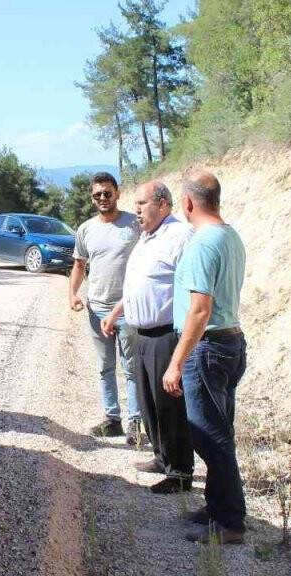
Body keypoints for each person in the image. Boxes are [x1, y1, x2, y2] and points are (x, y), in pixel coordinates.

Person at [163, 170, 248, 545]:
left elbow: (199, 309)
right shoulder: (231, 236)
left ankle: (229, 522)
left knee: (210, 438)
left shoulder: (202, 243)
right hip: (230, 343)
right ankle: (217, 507)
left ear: (187, 203)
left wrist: (177, 361)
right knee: (218, 431)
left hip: (207, 348)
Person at [101, 180, 195, 494]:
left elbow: (192, 287)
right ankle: (161, 456)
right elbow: (139, 284)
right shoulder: (146, 238)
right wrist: (116, 312)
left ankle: (180, 472)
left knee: (169, 407)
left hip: (165, 334)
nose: (136, 210)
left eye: (142, 204)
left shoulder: (180, 236)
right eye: (136, 204)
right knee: (148, 402)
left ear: (164, 204)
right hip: (139, 332)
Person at [69, 172, 142, 443]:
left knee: (132, 368)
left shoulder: (134, 224)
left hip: (128, 310)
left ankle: (136, 422)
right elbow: (79, 265)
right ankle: (113, 420)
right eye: (97, 194)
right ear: (92, 198)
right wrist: (73, 294)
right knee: (105, 367)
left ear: (117, 193)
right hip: (96, 310)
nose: (102, 198)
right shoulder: (85, 229)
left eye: (107, 193)